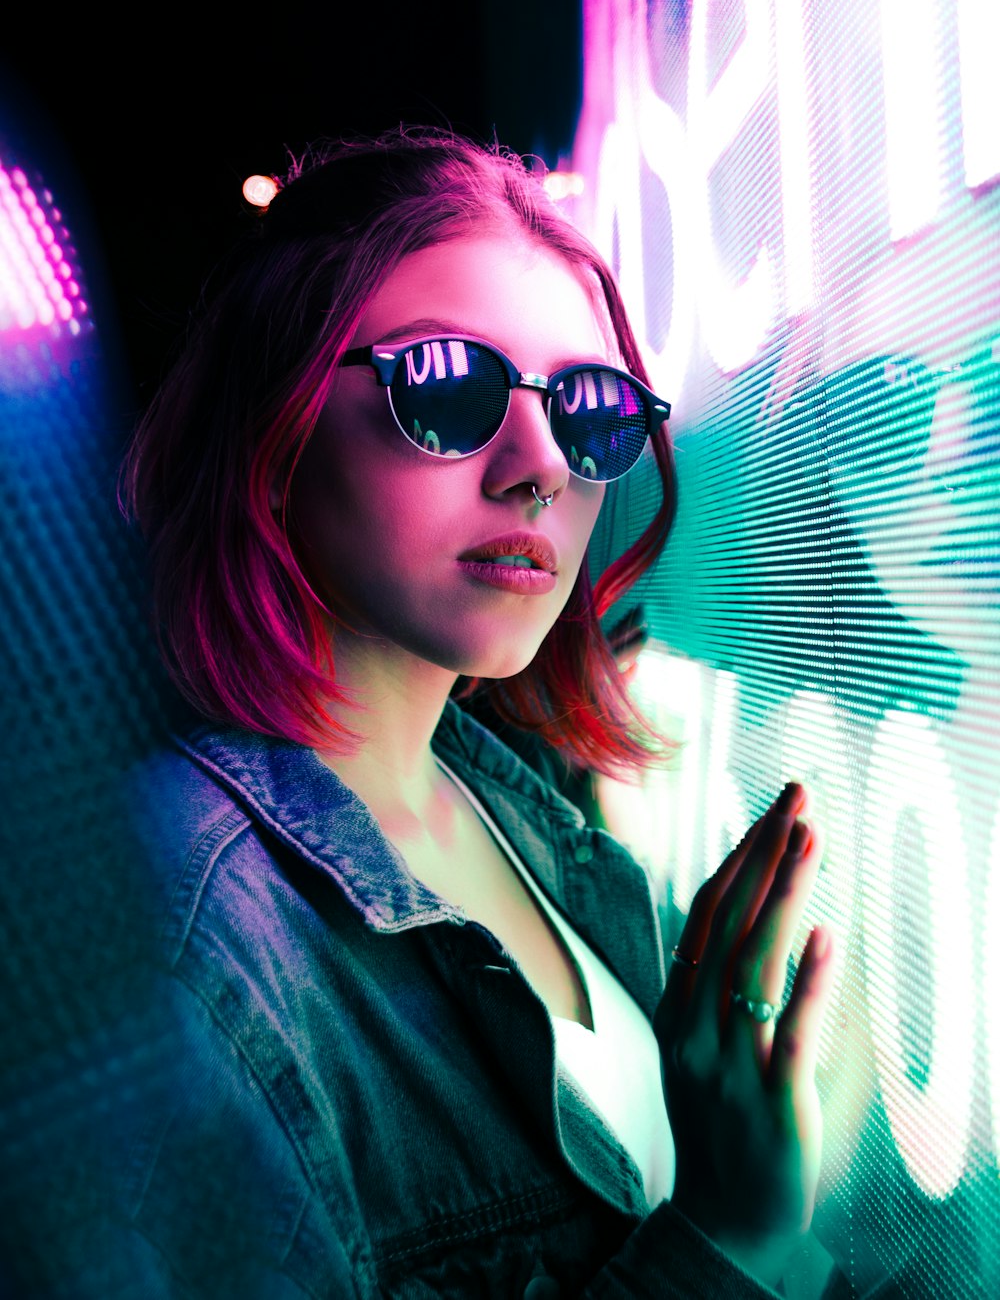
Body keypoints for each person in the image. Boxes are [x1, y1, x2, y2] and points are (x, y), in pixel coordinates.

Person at [110, 127, 837, 1298]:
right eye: (448, 387)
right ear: (274, 419)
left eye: (593, 411)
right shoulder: (180, 936)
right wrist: (728, 1241)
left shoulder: (506, 797)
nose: (542, 466)